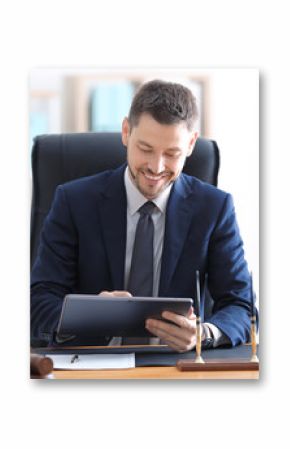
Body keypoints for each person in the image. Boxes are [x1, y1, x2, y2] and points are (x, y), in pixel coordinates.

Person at [31, 79, 256, 352]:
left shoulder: (215, 208)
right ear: (126, 132)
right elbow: (39, 300)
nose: (156, 167)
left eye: (171, 153)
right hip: (93, 364)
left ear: (191, 144)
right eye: (145, 149)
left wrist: (203, 334)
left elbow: (241, 305)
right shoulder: (73, 201)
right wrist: (85, 318)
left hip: (176, 369)